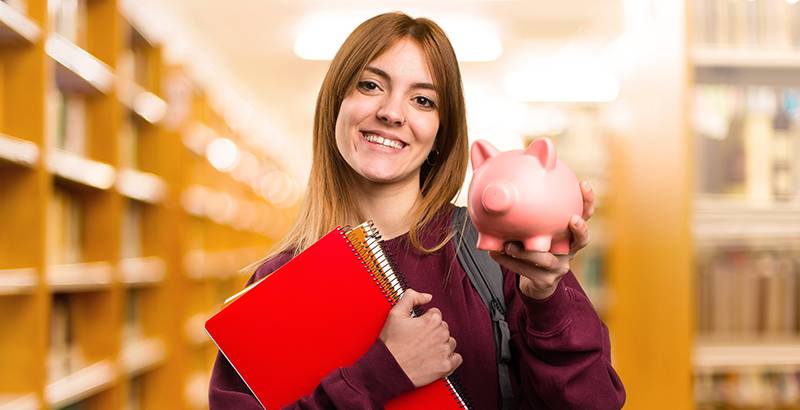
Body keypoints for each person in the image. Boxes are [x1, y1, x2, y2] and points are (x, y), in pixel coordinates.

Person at [209, 12, 625, 410]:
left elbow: (593, 403)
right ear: (336, 104)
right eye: (370, 86)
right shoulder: (277, 283)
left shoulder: (502, 258)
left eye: (423, 100)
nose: (392, 112)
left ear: (442, 131)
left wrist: (548, 300)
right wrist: (380, 375)